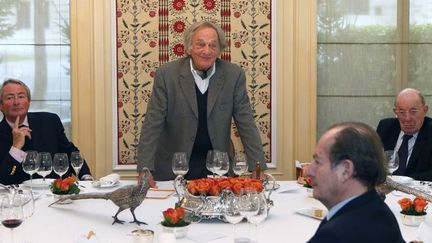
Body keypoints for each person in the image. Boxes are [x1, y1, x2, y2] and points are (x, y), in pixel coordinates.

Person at [137, 21, 265, 180]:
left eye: (213, 45)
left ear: (220, 50)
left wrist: (257, 166)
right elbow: (152, 123)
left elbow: (246, 122)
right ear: (189, 47)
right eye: (200, 44)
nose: (207, 50)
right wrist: (145, 168)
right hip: (175, 168)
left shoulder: (234, 75)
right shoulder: (167, 75)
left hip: (219, 169)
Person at [306, 122, 405, 243]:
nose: (308, 171)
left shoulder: (335, 235)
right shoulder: (381, 212)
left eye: (318, 162)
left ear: (345, 170)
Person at [0, 78, 93, 185]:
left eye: (21, 96)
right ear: (1, 106)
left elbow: (70, 153)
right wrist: (15, 148)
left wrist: (86, 177)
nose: (16, 102)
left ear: (28, 102)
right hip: (18, 197)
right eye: (10, 98)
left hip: (55, 193)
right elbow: (3, 180)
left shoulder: (50, 121)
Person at [377, 88, 432, 181]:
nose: (407, 118)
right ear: (395, 112)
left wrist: (404, 181)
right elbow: (371, 161)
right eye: (402, 112)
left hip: (417, 192)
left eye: (413, 111)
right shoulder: (385, 127)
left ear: (425, 110)